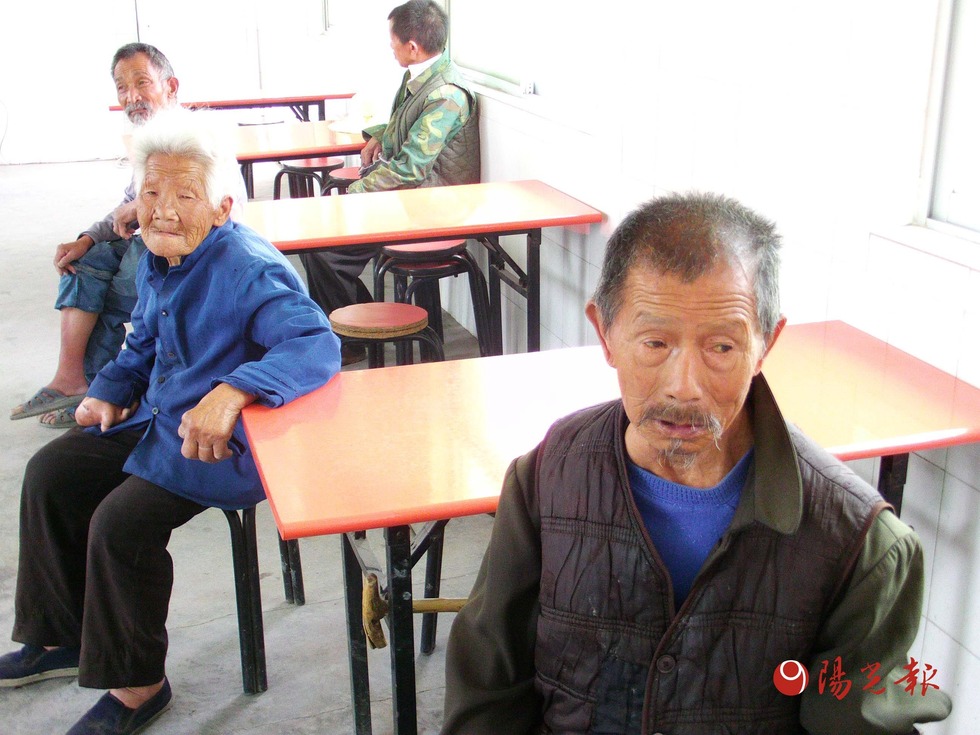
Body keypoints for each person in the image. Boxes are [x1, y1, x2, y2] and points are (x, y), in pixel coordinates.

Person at [441, 193, 953, 734]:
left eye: (722, 348)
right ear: (606, 333)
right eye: (655, 342)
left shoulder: (858, 544)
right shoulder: (548, 477)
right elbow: (487, 694)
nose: (684, 387)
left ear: (766, 344)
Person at [0, 109, 340, 734]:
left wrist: (235, 390)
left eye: (185, 195)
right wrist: (109, 391)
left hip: (220, 444)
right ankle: (58, 637)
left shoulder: (248, 268)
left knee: (120, 525)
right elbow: (143, 343)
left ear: (222, 207)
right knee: (52, 472)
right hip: (158, 418)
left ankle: (139, 686)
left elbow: (315, 344)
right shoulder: (159, 256)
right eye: (151, 192)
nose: (162, 210)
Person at [10, 43, 183, 428]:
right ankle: (71, 379)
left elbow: (217, 206)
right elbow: (127, 204)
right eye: (122, 87)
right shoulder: (149, 139)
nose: (131, 96)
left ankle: (96, 391)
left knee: (108, 296)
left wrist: (145, 205)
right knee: (83, 265)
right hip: (143, 240)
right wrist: (86, 239)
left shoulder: (191, 138)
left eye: (142, 83)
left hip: (177, 252)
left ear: (170, 86)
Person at [300, 0, 480, 363]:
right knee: (317, 242)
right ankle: (355, 328)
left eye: (393, 41)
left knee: (324, 250)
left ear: (412, 46)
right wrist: (380, 135)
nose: (390, 47)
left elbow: (410, 169)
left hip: (431, 204)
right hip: (411, 196)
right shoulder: (423, 74)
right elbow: (408, 127)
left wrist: (357, 192)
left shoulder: (446, 94)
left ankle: (353, 337)